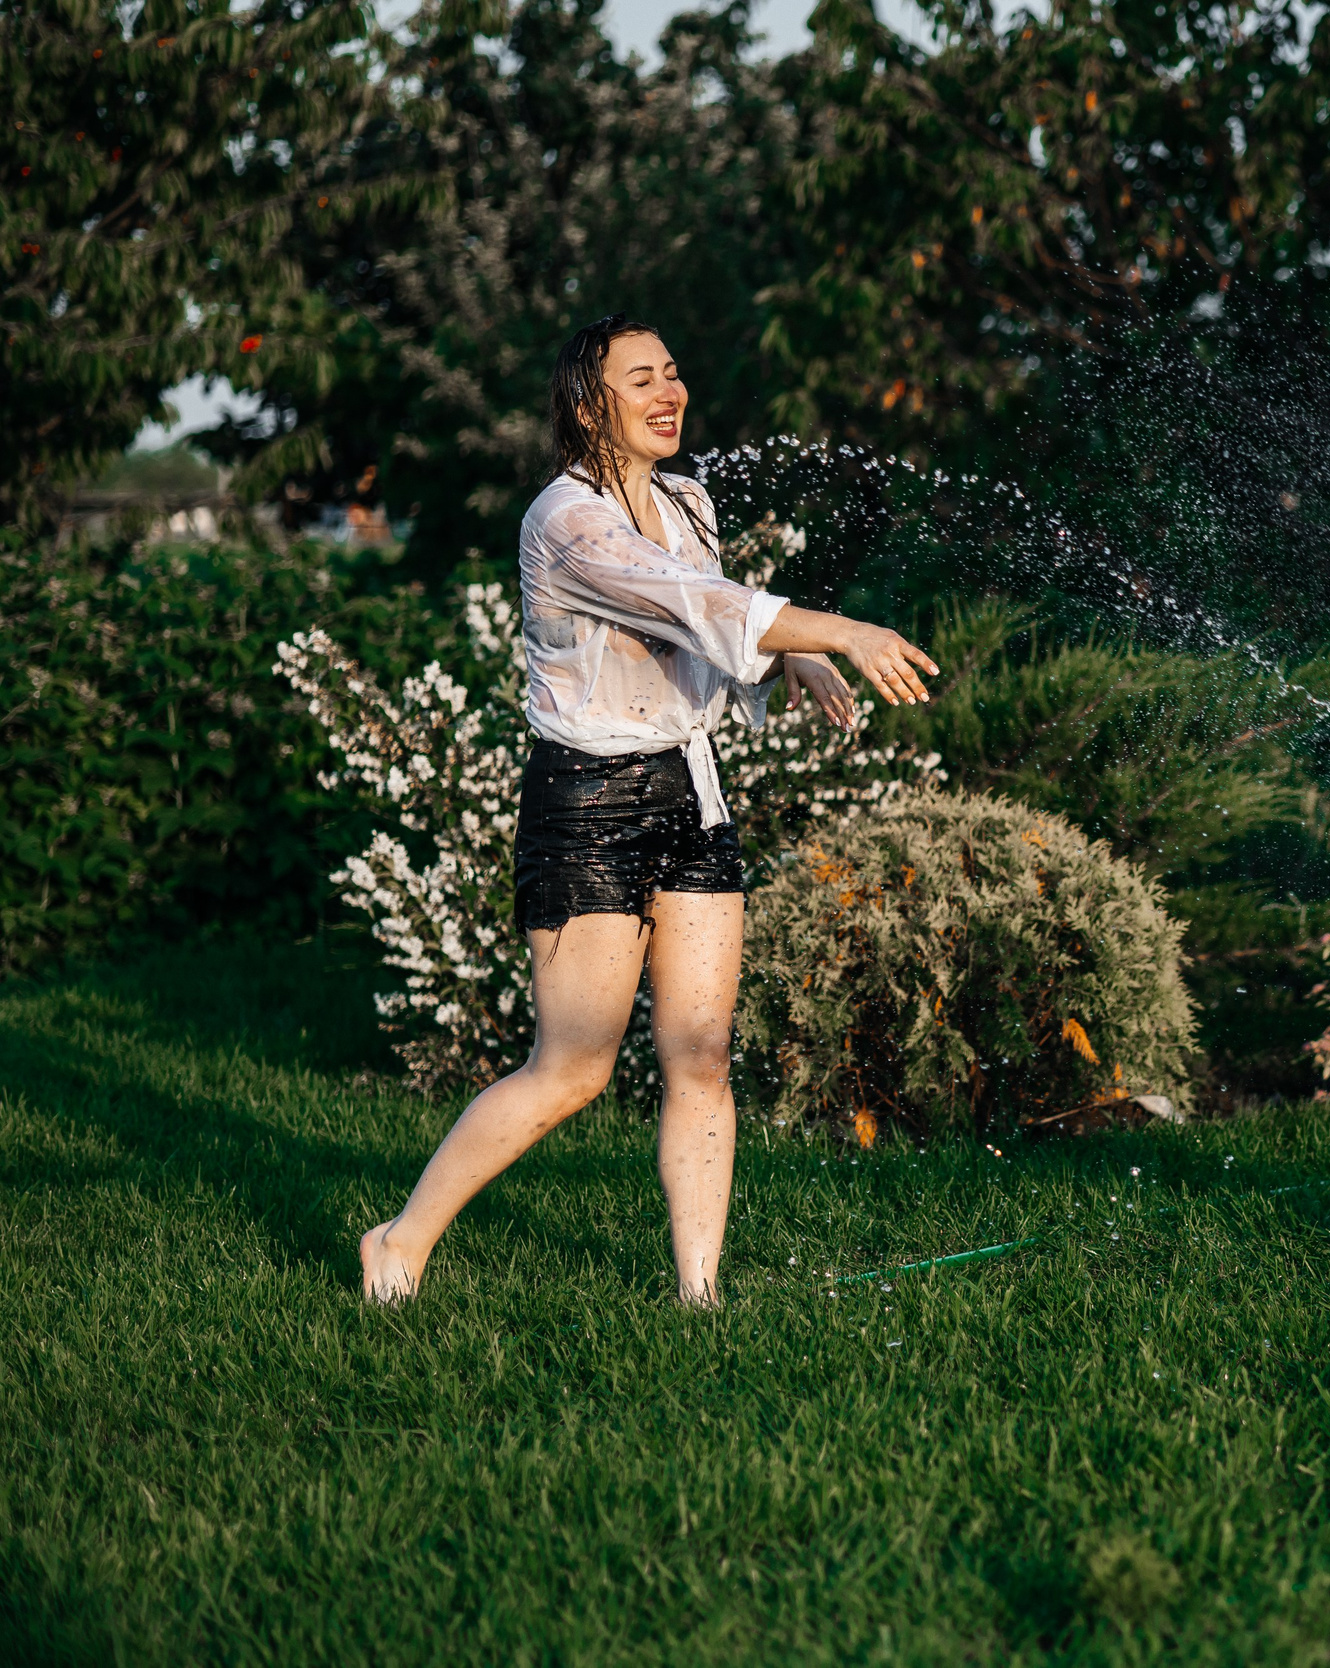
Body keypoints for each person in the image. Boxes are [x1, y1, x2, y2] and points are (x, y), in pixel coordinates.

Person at [358, 313, 940, 1307]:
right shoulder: (565, 521)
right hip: (589, 806)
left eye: (672, 372)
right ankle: (399, 1241)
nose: (669, 392)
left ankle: (699, 1295)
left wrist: (786, 659)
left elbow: (700, 620)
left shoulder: (687, 501)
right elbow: (684, 600)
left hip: (689, 795)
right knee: (574, 1068)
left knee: (701, 1053)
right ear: (590, 406)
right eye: (642, 380)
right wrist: (839, 631)